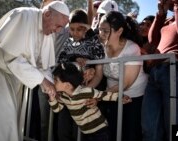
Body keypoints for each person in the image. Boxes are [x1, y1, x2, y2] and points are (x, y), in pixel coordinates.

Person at [0, 1, 69, 141]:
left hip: (9, 78)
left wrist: (53, 87)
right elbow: (11, 58)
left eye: (61, 28)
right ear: (47, 14)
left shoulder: (48, 32)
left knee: (6, 124)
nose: (57, 31)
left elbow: (42, 66)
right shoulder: (23, 16)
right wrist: (43, 81)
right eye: (57, 26)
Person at [142, 0, 178, 141]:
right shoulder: (168, 19)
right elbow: (153, 41)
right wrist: (161, 14)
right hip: (156, 73)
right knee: (150, 127)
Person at [46, 63, 132, 141]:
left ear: (67, 85)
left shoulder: (86, 91)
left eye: (56, 80)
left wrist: (120, 98)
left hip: (100, 130)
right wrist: (52, 98)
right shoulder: (63, 96)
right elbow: (57, 109)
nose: (53, 82)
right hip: (86, 132)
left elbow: (104, 95)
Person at [57, 9, 105, 141]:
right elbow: (60, 63)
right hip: (67, 97)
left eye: (79, 29)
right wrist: (73, 58)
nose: (75, 33)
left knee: (79, 134)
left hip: (84, 97)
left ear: (86, 28)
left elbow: (99, 74)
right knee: (63, 132)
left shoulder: (95, 44)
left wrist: (85, 92)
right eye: (72, 29)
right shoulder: (68, 42)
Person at [99, 11, 148, 141]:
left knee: (131, 133)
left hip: (134, 97)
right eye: (100, 29)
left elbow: (126, 83)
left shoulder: (132, 49)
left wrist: (100, 96)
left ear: (119, 31)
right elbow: (98, 76)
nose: (101, 34)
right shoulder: (101, 48)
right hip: (112, 95)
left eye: (106, 31)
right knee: (113, 131)